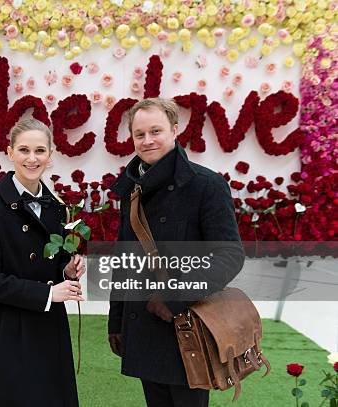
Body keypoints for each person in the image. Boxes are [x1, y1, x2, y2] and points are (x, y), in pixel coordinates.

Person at [107, 98, 245, 407]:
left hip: (187, 328)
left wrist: (173, 297)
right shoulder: (132, 189)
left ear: (174, 130)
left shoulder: (206, 185)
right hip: (142, 326)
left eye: (155, 130)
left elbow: (229, 255)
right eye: (139, 134)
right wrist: (116, 321)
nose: (147, 140)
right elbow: (123, 259)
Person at [0, 118, 85, 407]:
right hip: (5, 327)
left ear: (51, 154)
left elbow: (50, 262)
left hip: (47, 325)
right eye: (24, 150)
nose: (32, 159)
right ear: (9, 153)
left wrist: (67, 270)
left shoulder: (56, 208)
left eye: (40, 151)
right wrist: (48, 293)